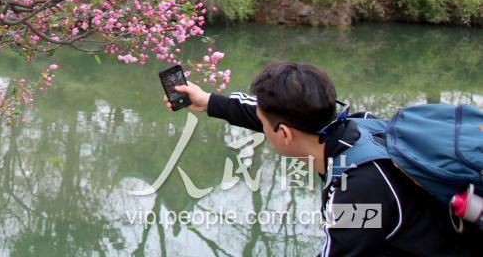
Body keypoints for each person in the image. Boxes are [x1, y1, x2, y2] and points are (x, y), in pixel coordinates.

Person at [164, 60, 481, 256]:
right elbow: (273, 115)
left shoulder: (356, 198)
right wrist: (210, 102)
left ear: (285, 134)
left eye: (264, 124)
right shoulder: (357, 125)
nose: (261, 125)